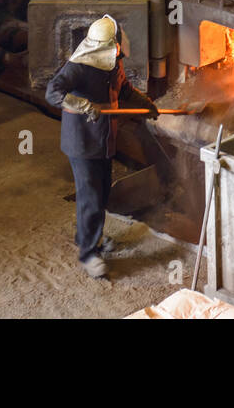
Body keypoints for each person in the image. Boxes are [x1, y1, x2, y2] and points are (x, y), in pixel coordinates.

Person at [45, 14, 158, 278]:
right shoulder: (79, 66)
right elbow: (53, 92)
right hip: (82, 143)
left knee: (102, 192)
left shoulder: (112, 64)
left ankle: (87, 236)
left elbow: (125, 90)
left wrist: (146, 105)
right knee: (91, 197)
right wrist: (83, 105)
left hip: (104, 139)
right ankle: (88, 254)